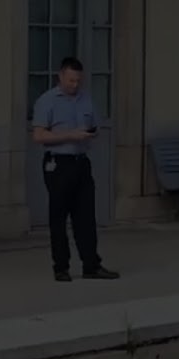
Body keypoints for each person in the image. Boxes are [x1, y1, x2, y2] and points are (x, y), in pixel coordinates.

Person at [31, 57, 120, 282]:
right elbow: (39, 135)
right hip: (58, 164)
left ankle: (91, 264)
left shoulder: (86, 99)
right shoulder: (47, 101)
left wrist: (89, 132)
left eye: (78, 81)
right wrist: (71, 134)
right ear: (60, 76)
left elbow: (96, 126)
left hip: (81, 161)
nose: (74, 85)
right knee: (59, 217)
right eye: (70, 80)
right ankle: (61, 267)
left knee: (86, 217)